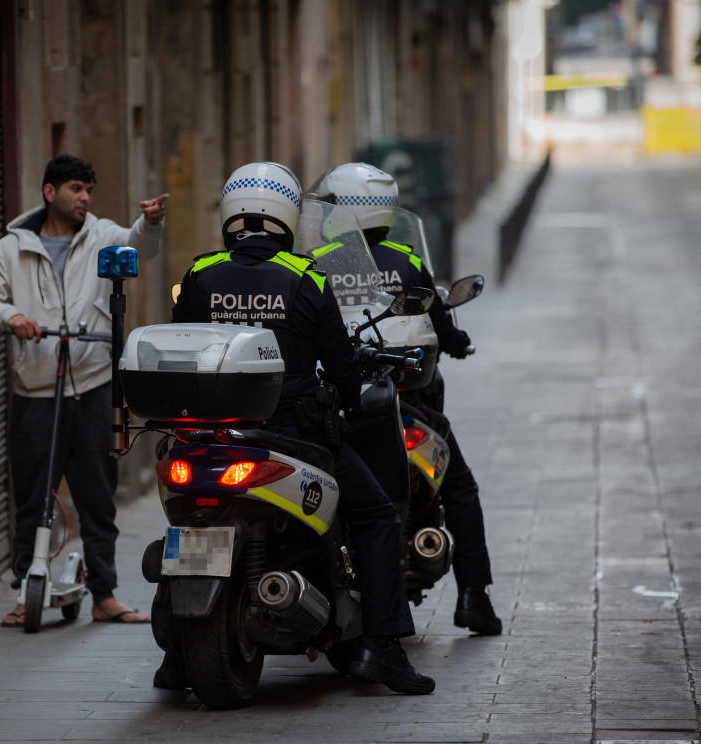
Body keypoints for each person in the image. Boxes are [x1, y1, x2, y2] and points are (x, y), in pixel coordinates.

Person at [157, 161, 435, 694]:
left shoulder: (200, 274)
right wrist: (349, 403)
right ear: (288, 215)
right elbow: (344, 366)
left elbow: (183, 346)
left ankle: (176, 658)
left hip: (209, 439)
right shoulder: (306, 278)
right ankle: (384, 647)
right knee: (377, 516)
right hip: (294, 438)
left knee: (186, 519)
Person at [0, 154, 169, 627]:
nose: (84, 198)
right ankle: (25, 591)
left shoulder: (102, 236)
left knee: (98, 497)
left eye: (89, 191)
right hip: (36, 389)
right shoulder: (12, 249)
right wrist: (11, 317)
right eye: (76, 188)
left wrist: (150, 222)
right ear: (49, 192)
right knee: (33, 494)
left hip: (93, 385)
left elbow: (140, 246)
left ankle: (104, 594)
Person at [312, 162, 502, 636]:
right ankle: (474, 597)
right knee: (458, 485)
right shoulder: (408, 261)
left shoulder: (318, 264)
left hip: (337, 401)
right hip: (400, 400)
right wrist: (457, 343)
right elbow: (442, 326)